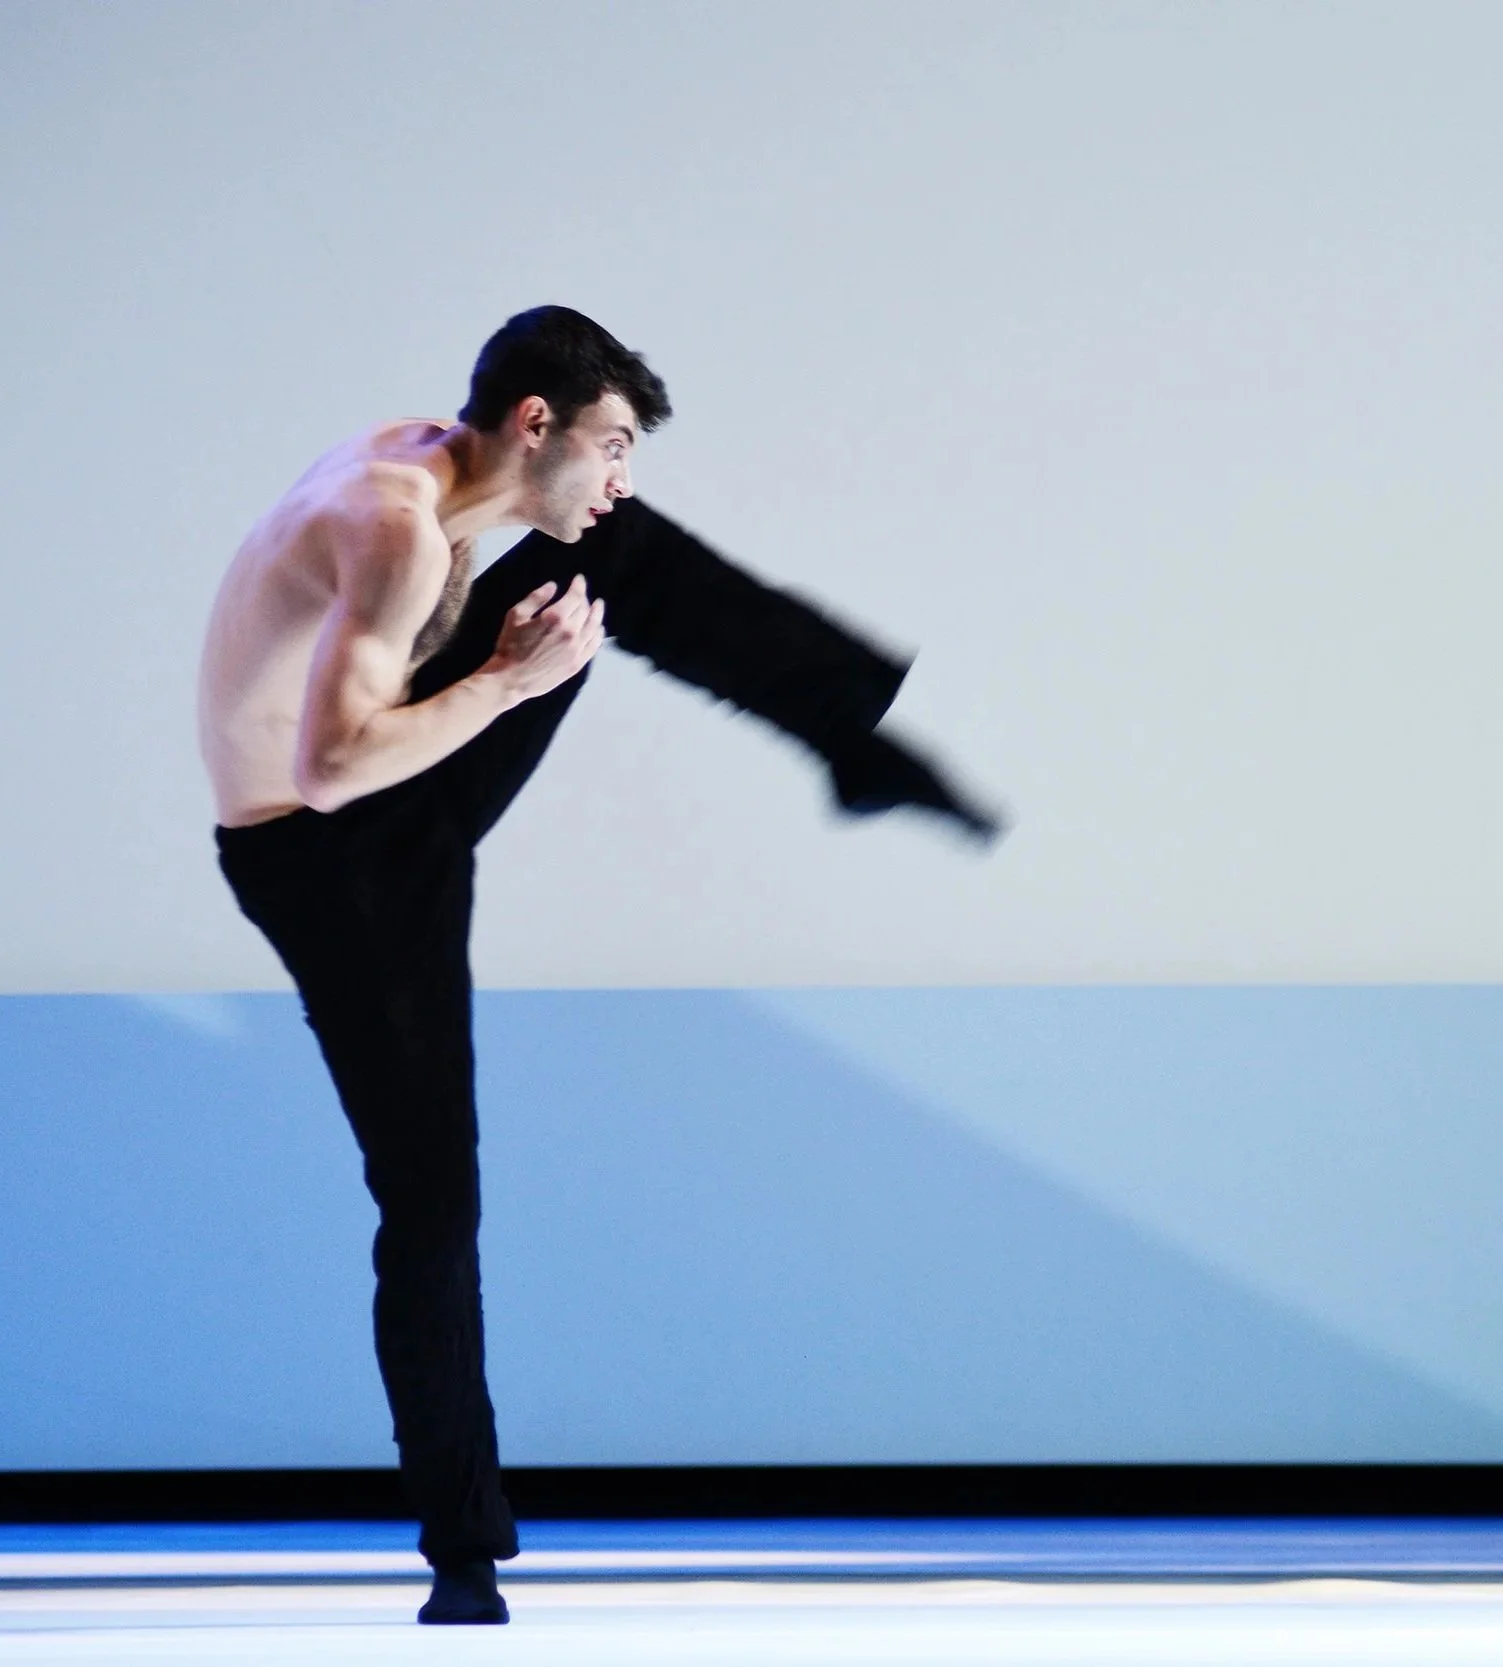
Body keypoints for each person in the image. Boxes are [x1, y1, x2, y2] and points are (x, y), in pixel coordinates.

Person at [197, 305, 990, 1625]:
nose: (622, 471)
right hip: (331, 858)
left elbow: (403, 681)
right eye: (612, 442)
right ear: (534, 424)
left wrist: (507, 669)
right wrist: (509, 686)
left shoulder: (441, 465)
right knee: (431, 1195)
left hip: (389, 788)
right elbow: (330, 772)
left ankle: (849, 730)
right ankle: (461, 1545)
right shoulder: (394, 526)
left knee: (609, 554)